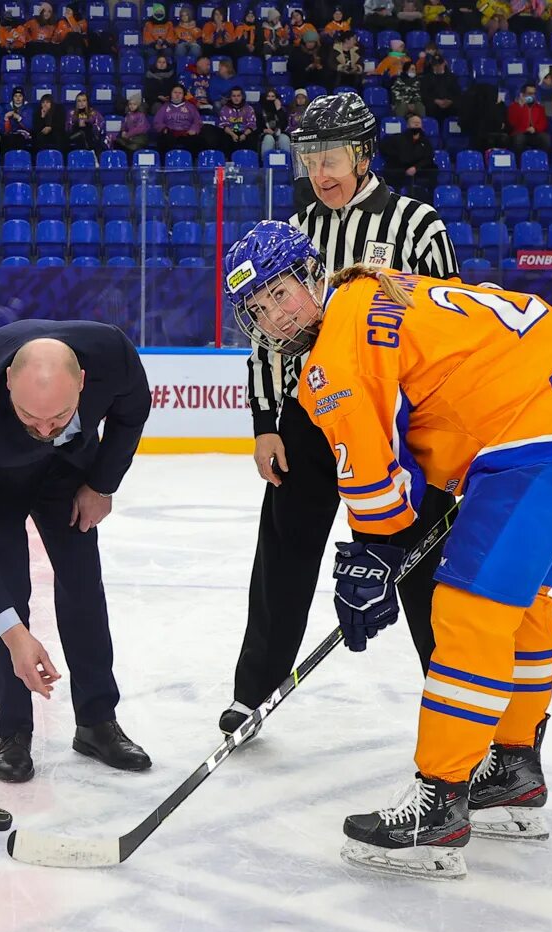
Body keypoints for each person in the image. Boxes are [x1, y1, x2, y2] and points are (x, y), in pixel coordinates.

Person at [221, 219, 552, 880]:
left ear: (312, 275)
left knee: (468, 608)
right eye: (259, 310)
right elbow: (423, 403)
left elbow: (376, 479)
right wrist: (380, 550)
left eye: (281, 294)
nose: (276, 319)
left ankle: (439, 801)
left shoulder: (332, 363)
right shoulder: (368, 284)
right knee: (523, 605)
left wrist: (372, 558)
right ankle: (514, 768)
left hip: (531, 435)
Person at [223, 93, 459, 740]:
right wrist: (266, 421)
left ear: (362, 153)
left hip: (400, 424)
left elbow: (446, 324)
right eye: (309, 158)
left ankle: (456, 704)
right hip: (309, 413)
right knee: (284, 552)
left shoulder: (417, 225)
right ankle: (254, 694)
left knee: (421, 569)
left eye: (331, 157)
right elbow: (267, 335)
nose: (320, 172)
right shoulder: (298, 225)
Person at [0, 322, 153, 783]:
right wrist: (13, 633)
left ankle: (97, 723)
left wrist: (101, 484)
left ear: (84, 382)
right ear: (9, 381)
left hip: (67, 473)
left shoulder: (112, 355)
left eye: (60, 417)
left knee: (83, 586)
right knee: (6, 595)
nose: (46, 430)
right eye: (31, 418)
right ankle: (14, 732)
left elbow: (132, 412)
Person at [381, 113, 437, 198]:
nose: (416, 124)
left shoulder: (425, 142)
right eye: (414, 122)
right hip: (400, 169)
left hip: (418, 169)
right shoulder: (398, 139)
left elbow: (428, 157)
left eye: (418, 122)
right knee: (391, 169)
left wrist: (416, 167)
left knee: (433, 169)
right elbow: (385, 148)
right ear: (408, 125)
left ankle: (429, 198)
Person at [152, 83, 203, 154]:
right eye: (175, 92)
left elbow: (197, 121)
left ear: (183, 95)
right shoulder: (164, 107)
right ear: (171, 94)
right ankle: (165, 162)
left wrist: (194, 129)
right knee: (163, 140)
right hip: (170, 133)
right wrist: (164, 128)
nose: (177, 95)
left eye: (180, 93)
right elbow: (157, 121)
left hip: (186, 133)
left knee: (196, 140)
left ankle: (192, 162)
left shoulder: (190, 107)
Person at [505, 82, 552, 154]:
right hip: (520, 133)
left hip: (535, 133)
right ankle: (519, 163)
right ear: (523, 94)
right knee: (519, 139)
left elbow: (543, 123)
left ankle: (544, 161)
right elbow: (513, 123)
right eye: (530, 93)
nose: (533, 96)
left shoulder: (539, 108)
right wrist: (521, 106)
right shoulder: (514, 107)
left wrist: (535, 128)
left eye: (534, 93)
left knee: (546, 138)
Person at [421, 55, 461, 125]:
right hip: (434, 103)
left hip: (449, 103)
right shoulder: (426, 78)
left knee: (457, 106)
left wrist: (450, 100)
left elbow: (457, 92)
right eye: (435, 65)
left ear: (444, 64)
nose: (438, 67)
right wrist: (435, 100)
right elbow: (424, 93)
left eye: (439, 64)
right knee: (430, 107)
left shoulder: (452, 77)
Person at [217, 87, 257, 156]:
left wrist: (244, 134)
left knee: (253, 137)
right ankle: (227, 161)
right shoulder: (225, 109)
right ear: (230, 97)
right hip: (230, 133)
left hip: (245, 133)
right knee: (223, 137)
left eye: (238, 96)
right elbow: (224, 125)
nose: (236, 98)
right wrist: (232, 134)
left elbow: (252, 124)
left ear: (242, 96)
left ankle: (249, 159)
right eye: (234, 96)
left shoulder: (249, 109)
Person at [257, 87, 290, 153]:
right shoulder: (260, 110)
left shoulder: (282, 110)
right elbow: (257, 125)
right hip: (265, 133)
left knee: (284, 139)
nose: (270, 98)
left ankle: (287, 161)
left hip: (279, 133)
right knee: (269, 139)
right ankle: (266, 161)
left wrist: (279, 110)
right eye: (268, 96)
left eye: (273, 96)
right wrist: (264, 130)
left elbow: (284, 125)